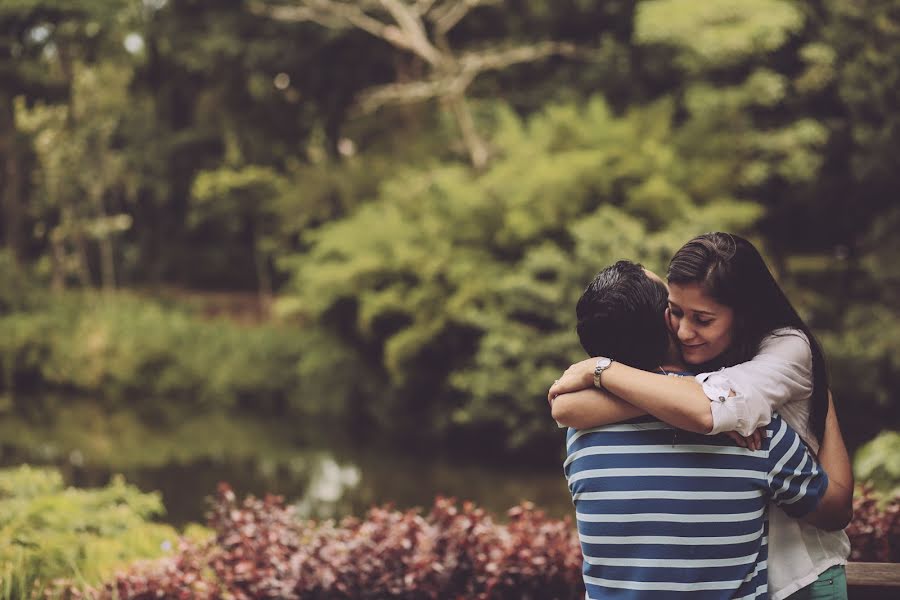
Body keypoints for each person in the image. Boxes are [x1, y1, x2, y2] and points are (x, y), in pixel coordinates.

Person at [550, 234, 853, 600]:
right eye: (674, 311)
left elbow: (708, 407)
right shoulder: (757, 429)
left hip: (803, 572)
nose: (683, 329)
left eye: (701, 318)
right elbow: (709, 406)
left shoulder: (582, 436)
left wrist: (599, 371)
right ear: (663, 322)